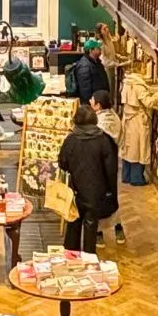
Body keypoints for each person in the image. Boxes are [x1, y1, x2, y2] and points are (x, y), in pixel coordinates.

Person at [55, 102, 118, 253]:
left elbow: (62, 163)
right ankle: (89, 258)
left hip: (75, 189)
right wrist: (111, 191)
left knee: (73, 224)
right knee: (91, 226)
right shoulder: (103, 140)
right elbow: (111, 169)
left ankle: (70, 258)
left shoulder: (71, 139)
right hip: (96, 191)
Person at [117, 58, 158, 186]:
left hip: (128, 118)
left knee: (128, 148)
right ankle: (136, 178)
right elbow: (148, 102)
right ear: (141, 69)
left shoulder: (127, 82)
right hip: (137, 120)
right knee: (138, 149)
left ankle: (126, 176)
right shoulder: (138, 85)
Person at [65, 37, 113, 109]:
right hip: (93, 105)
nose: (100, 50)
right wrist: (91, 106)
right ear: (91, 50)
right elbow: (85, 90)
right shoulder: (84, 65)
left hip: (99, 103)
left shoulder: (96, 62)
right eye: (98, 48)